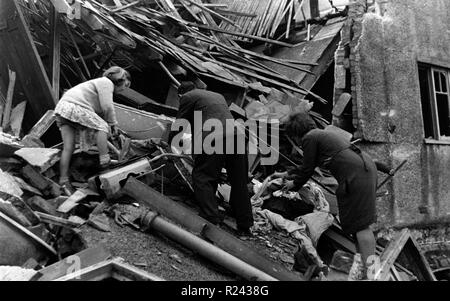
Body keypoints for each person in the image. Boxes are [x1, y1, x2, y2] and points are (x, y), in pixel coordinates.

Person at [274, 112, 392, 278]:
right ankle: (365, 272)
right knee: (356, 226)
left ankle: (373, 273)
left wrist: (294, 185)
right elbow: (307, 165)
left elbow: (307, 169)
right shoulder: (320, 135)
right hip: (362, 171)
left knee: (362, 226)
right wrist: (285, 175)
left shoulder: (310, 138)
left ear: (295, 133)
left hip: (356, 175)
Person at [169, 81, 254, 235]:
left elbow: (180, 124)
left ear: (181, 94)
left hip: (215, 136)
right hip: (237, 136)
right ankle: (245, 226)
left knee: (202, 176)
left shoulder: (187, 97)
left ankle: (211, 218)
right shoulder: (216, 96)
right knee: (238, 180)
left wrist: (170, 142)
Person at [54, 66, 131, 194]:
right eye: (126, 85)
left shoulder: (97, 88)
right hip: (74, 106)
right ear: (120, 80)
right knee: (102, 126)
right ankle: (105, 164)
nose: (124, 89)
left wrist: (113, 140)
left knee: (69, 147)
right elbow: (107, 107)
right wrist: (113, 124)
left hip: (63, 109)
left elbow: (98, 125)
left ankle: (63, 180)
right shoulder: (106, 82)